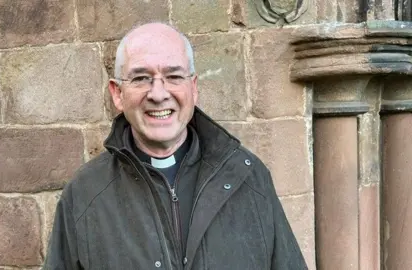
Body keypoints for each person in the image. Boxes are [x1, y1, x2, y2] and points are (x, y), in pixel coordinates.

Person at [44, 22, 307, 270]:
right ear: (117, 94)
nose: (158, 94)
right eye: (140, 78)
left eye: (173, 76)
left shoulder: (248, 177)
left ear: (193, 88)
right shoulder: (84, 194)